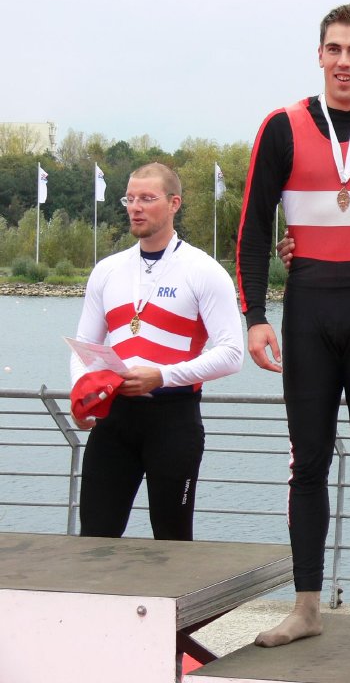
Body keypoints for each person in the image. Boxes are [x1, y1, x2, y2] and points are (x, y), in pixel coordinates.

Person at [236, 3, 350, 651]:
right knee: (306, 461)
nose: (344, 61)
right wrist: (256, 317)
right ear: (319, 55)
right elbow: (253, 226)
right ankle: (306, 607)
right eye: (334, 49)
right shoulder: (281, 126)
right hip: (308, 305)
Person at [70, 162, 243, 541]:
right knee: (94, 539)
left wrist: (162, 376)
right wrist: (82, 393)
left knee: (172, 540)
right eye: (130, 199)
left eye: (147, 198)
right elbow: (86, 346)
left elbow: (233, 354)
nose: (136, 207)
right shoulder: (107, 270)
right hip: (114, 420)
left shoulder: (204, 270)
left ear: (173, 203)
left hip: (174, 420)